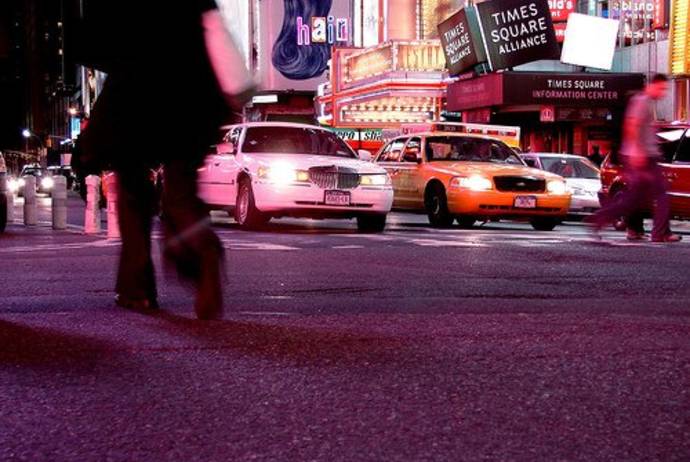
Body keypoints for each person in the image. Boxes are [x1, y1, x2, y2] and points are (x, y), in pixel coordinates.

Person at [72, 0, 255, 319]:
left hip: (136, 98)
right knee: (181, 197)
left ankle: (138, 290)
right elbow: (216, 31)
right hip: (191, 100)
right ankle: (204, 251)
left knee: (133, 196)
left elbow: (92, 41)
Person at [589, 74, 681, 243]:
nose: (663, 93)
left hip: (643, 156)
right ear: (653, 85)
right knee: (661, 194)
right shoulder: (642, 101)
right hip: (642, 157)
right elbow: (631, 125)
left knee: (634, 198)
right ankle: (660, 233)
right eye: (661, 88)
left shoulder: (646, 102)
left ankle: (599, 218)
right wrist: (637, 152)